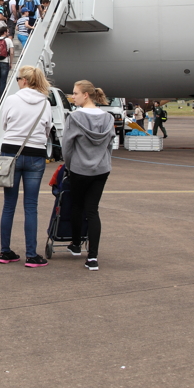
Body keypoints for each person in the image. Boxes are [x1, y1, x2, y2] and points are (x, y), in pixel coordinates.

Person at [0, 66, 53, 268]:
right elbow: (47, 128)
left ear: (24, 81)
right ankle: (31, 254)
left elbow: (4, 124)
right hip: (35, 154)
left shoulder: (11, 99)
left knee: (8, 205)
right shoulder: (44, 102)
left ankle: (5, 251)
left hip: (11, 151)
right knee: (31, 205)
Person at [60, 80, 115, 271]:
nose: (72, 96)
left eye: (75, 93)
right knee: (93, 210)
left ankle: (76, 244)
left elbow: (67, 146)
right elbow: (110, 144)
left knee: (76, 206)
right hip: (101, 169)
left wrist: (68, 165)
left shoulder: (74, 118)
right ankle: (93, 257)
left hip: (79, 169)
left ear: (86, 95)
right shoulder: (108, 118)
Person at [0, 26, 14, 97]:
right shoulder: (8, 40)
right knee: (3, 80)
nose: (8, 33)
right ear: (4, 32)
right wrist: (11, 62)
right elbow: (11, 52)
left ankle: (0, 95)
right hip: (5, 61)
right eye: (7, 31)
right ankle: (2, 96)